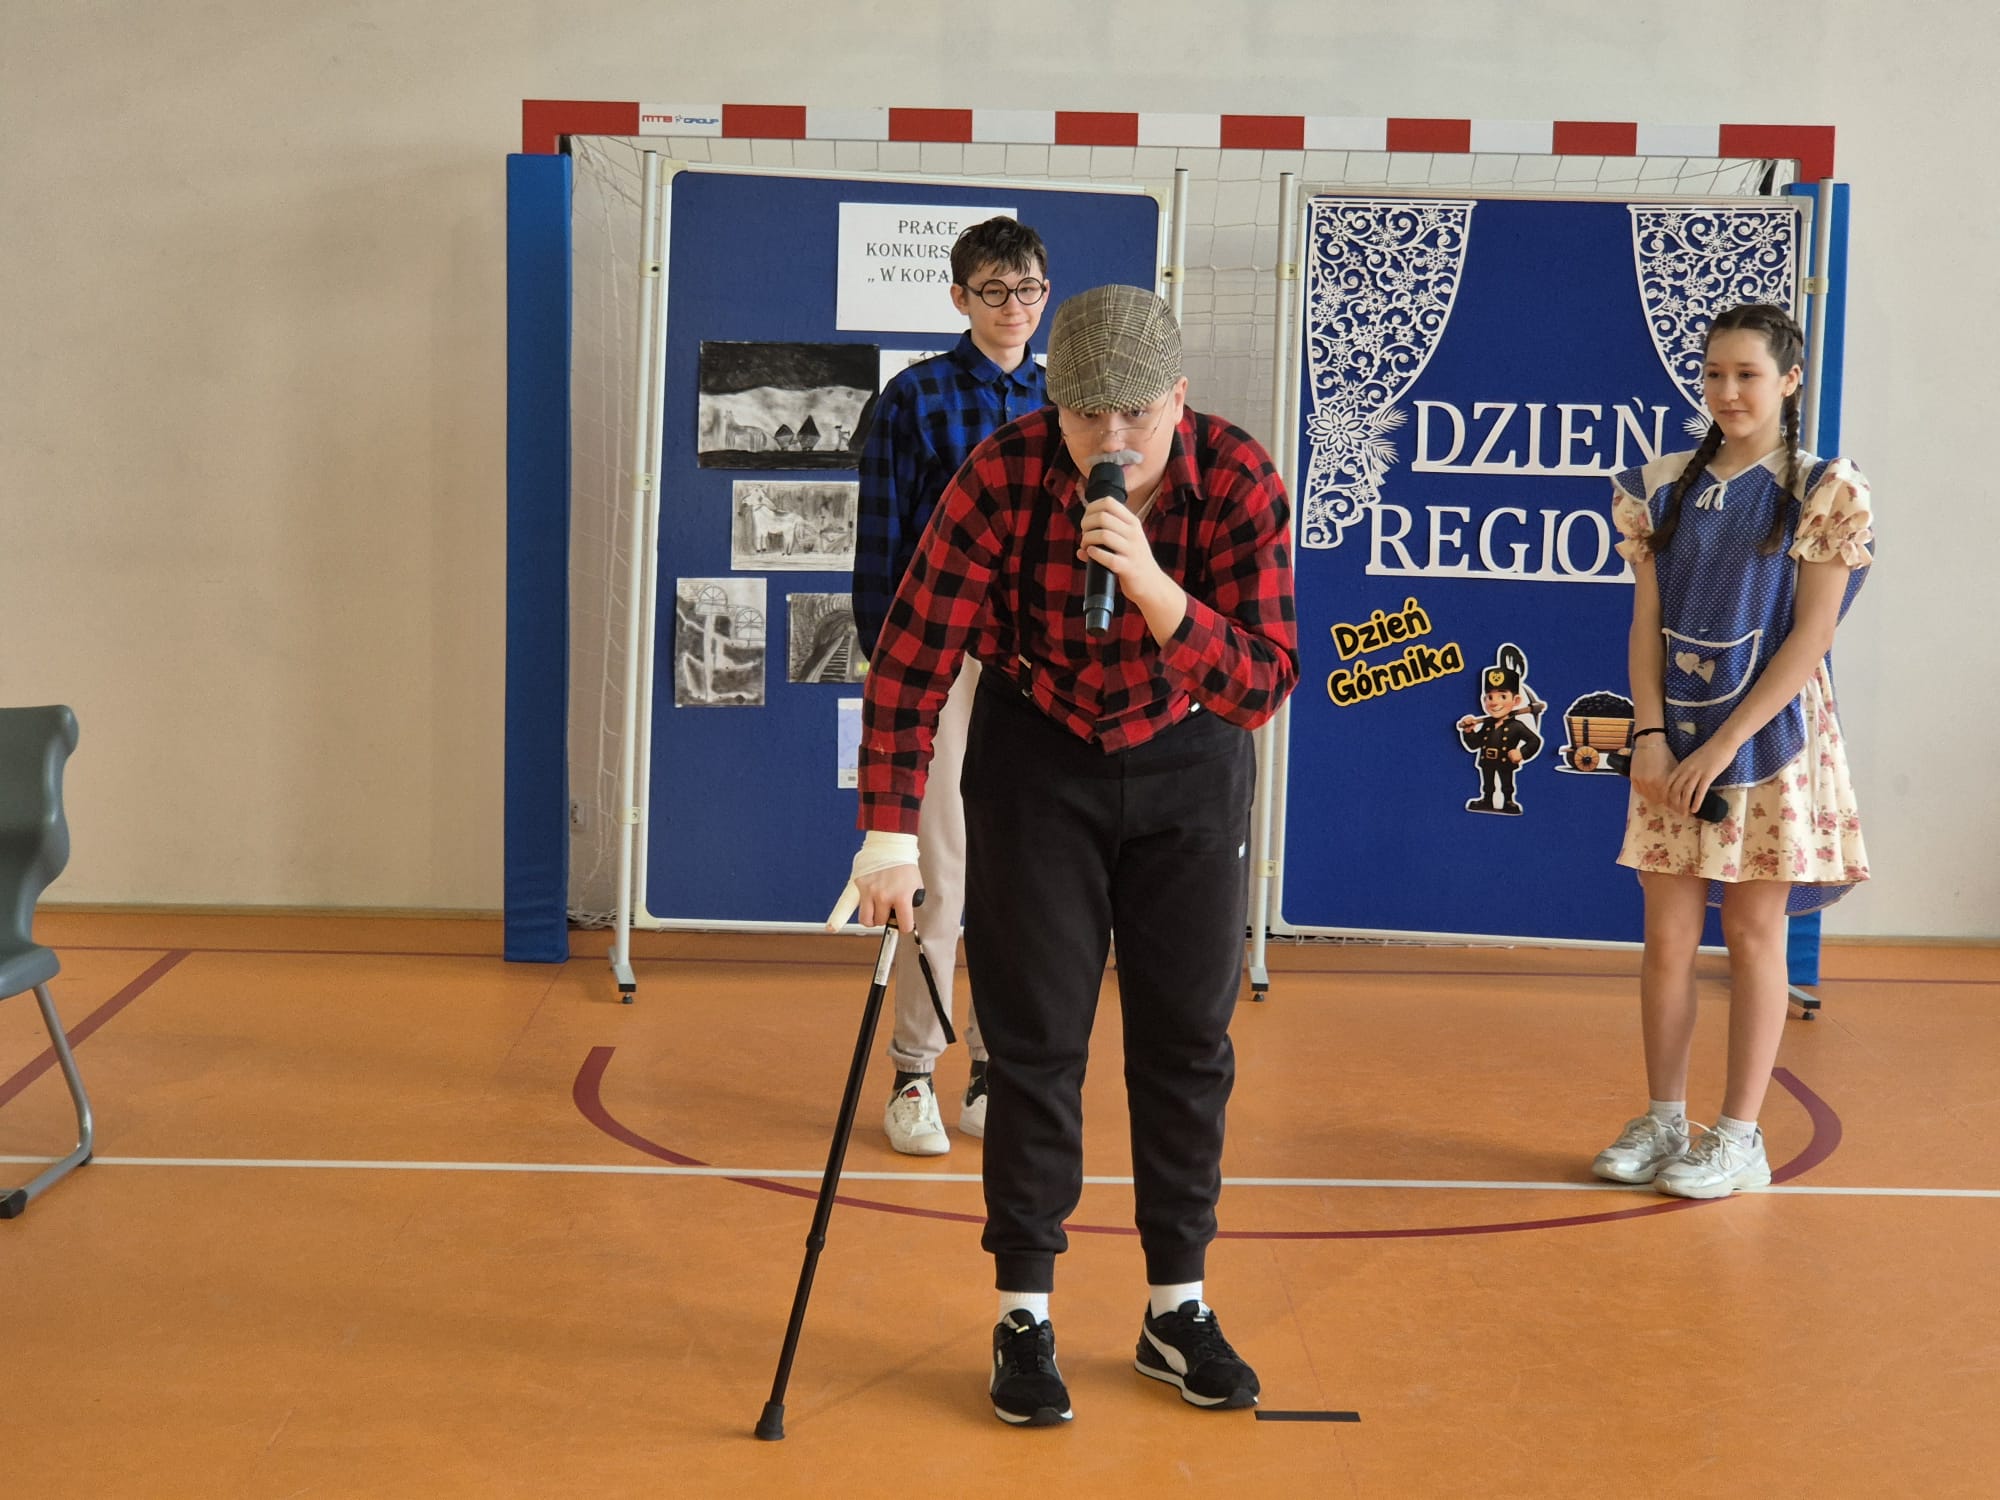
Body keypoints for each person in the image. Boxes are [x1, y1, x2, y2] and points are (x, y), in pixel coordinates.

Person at [828, 283, 1298, 1425]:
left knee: (1185, 1042)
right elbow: (910, 658)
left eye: (1137, 412)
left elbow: (1263, 682)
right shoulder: (997, 474)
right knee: (1033, 1045)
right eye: (1087, 415)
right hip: (1037, 755)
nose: (1112, 440)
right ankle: (1022, 1314)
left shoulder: (1239, 477)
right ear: (1054, 403)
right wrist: (888, 832)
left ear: (1178, 396)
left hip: (1190, 759)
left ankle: (1174, 1308)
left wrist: (1150, 585)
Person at [1591, 303, 1873, 1199]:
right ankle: (1663, 1118)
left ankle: (1741, 1136)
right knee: (1666, 935)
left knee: (1753, 934)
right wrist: (1648, 735)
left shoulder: (1823, 488)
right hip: (1673, 734)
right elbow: (1645, 624)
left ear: (1789, 381)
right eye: (1714, 374)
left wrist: (1722, 747)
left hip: (1769, 743)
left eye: (1747, 375)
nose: (1727, 391)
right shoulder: (1658, 487)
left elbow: (1812, 637)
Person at [853, 216, 1052, 1156]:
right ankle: (913, 1073)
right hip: (944, 663)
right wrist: (894, 674)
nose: (1013, 308)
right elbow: (880, 544)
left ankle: (991, 1070)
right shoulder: (915, 397)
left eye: (1028, 290)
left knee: (1028, 883)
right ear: (959, 297)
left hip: (1042, 670)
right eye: (993, 292)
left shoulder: (1067, 401)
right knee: (938, 874)